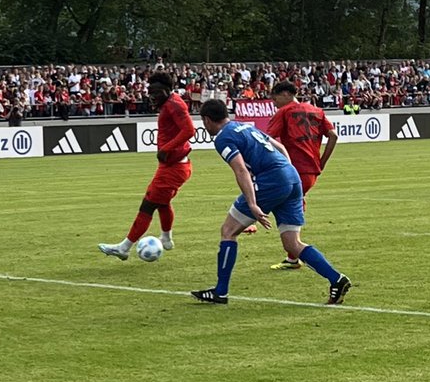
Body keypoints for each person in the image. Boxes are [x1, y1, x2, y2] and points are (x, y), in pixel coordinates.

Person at [191, 99, 351, 306]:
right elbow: (281, 147)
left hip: (272, 181)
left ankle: (220, 292)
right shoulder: (244, 126)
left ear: (207, 120)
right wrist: (287, 173)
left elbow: (240, 170)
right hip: (292, 177)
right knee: (292, 243)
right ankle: (336, 279)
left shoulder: (223, 137)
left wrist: (252, 203)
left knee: (228, 231)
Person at [98, 72, 193, 260]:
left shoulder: (175, 104)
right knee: (162, 203)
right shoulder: (170, 103)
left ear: (166, 90)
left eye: (155, 92)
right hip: (173, 165)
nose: (152, 96)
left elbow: (190, 130)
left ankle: (124, 248)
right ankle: (166, 239)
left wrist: (166, 147)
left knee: (147, 205)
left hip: (174, 167)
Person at [265, 80, 339, 270]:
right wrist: (321, 162)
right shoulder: (316, 110)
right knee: (293, 202)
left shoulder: (284, 112)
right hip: (311, 171)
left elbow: (267, 139)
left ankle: (293, 251)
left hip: (293, 170)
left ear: (287, 94)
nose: (274, 103)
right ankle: (292, 256)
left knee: (277, 201)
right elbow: (333, 135)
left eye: (275, 98)